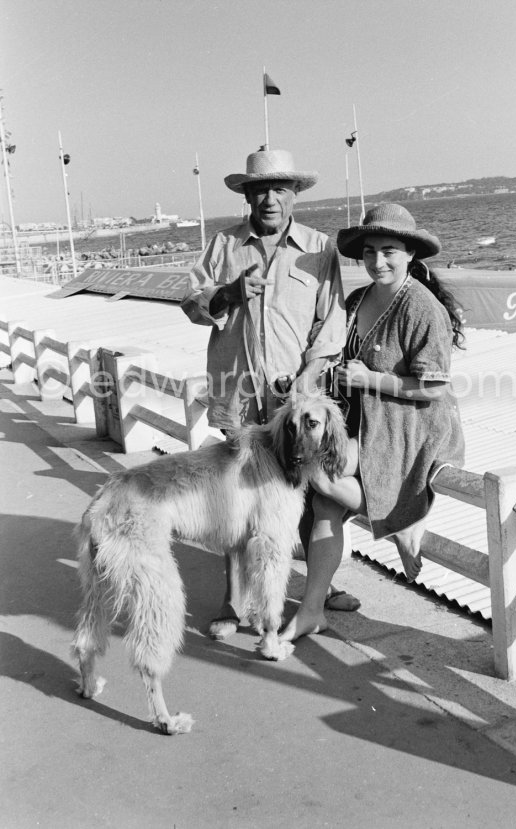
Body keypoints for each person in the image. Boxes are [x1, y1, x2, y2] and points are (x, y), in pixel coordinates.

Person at [180, 147, 356, 640]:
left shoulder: (320, 248)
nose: (271, 199)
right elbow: (191, 302)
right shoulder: (223, 244)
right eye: (261, 190)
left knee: (306, 491)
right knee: (239, 499)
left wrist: (310, 374)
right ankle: (233, 601)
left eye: (280, 189)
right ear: (247, 195)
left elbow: (332, 322)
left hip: (295, 403)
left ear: (295, 194)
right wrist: (228, 293)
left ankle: (317, 589)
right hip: (238, 395)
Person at [280, 203, 465, 643]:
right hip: (367, 424)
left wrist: (372, 378)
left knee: (319, 472)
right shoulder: (357, 300)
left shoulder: (422, 306)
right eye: (369, 252)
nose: (377, 261)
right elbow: (339, 362)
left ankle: (399, 520)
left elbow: (435, 387)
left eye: (389, 251)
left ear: (410, 255)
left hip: (413, 428)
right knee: (323, 501)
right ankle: (310, 611)